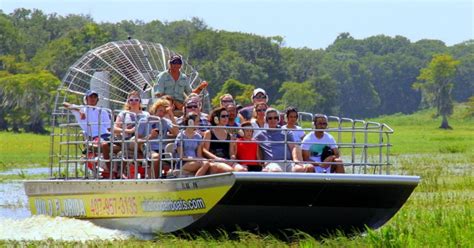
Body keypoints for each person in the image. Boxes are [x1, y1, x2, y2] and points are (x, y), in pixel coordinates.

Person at [102, 91, 150, 175]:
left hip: (143, 138)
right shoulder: (123, 114)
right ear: (128, 102)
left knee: (143, 141)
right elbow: (114, 129)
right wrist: (128, 131)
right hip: (128, 140)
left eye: (136, 100)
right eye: (131, 100)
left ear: (140, 101)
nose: (134, 102)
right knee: (136, 141)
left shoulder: (146, 114)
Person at [255, 108, 313, 173]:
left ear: (278, 119)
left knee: (309, 168)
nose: (273, 120)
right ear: (266, 120)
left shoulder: (286, 132)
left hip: (288, 162)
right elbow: (253, 146)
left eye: (275, 118)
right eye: (270, 118)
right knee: (276, 171)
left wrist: (296, 160)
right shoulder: (260, 135)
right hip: (272, 164)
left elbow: (293, 147)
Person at [137, 98, 179, 178]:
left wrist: (171, 115)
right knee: (156, 157)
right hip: (149, 148)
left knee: (179, 155)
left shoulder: (165, 121)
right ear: (155, 109)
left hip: (164, 149)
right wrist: (150, 136)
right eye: (160, 110)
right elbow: (137, 140)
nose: (162, 113)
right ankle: (157, 180)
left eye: (164, 111)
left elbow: (176, 133)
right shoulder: (144, 121)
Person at [202, 107, 247, 173]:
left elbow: (231, 153)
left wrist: (232, 158)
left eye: (227, 116)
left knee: (242, 170)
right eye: (223, 116)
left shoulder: (230, 135)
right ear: (216, 118)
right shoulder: (209, 133)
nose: (226, 118)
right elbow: (205, 150)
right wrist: (216, 158)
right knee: (229, 170)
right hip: (214, 161)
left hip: (227, 160)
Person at [174, 112, 210, 176]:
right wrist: (195, 159)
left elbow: (199, 155)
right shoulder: (181, 136)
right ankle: (196, 180)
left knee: (208, 162)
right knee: (205, 164)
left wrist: (199, 159)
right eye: (197, 121)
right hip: (183, 162)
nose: (199, 124)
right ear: (190, 122)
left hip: (195, 161)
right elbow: (181, 156)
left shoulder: (198, 136)